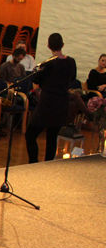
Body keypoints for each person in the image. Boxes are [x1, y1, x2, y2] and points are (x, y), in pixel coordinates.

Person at [25, 33, 76, 163]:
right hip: (62, 103)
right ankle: (48, 165)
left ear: (48, 46)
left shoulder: (47, 64)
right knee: (52, 137)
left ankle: (33, 163)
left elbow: (36, 81)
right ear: (62, 45)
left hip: (47, 104)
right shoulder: (71, 62)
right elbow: (72, 79)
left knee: (30, 134)